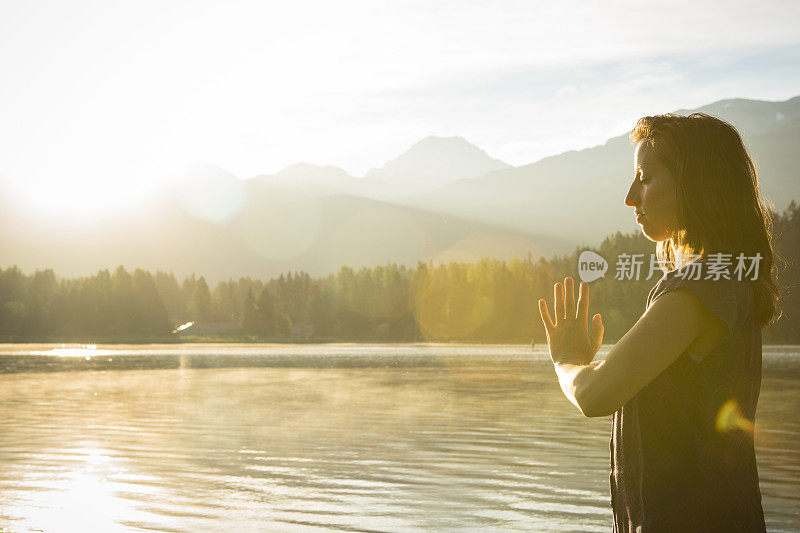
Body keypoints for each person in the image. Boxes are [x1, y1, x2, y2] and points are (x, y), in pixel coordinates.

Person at [537, 113, 777, 532]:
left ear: (695, 185)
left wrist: (567, 360)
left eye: (645, 179)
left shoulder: (698, 289)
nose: (631, 197)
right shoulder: (728, 280)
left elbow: (594, 396)